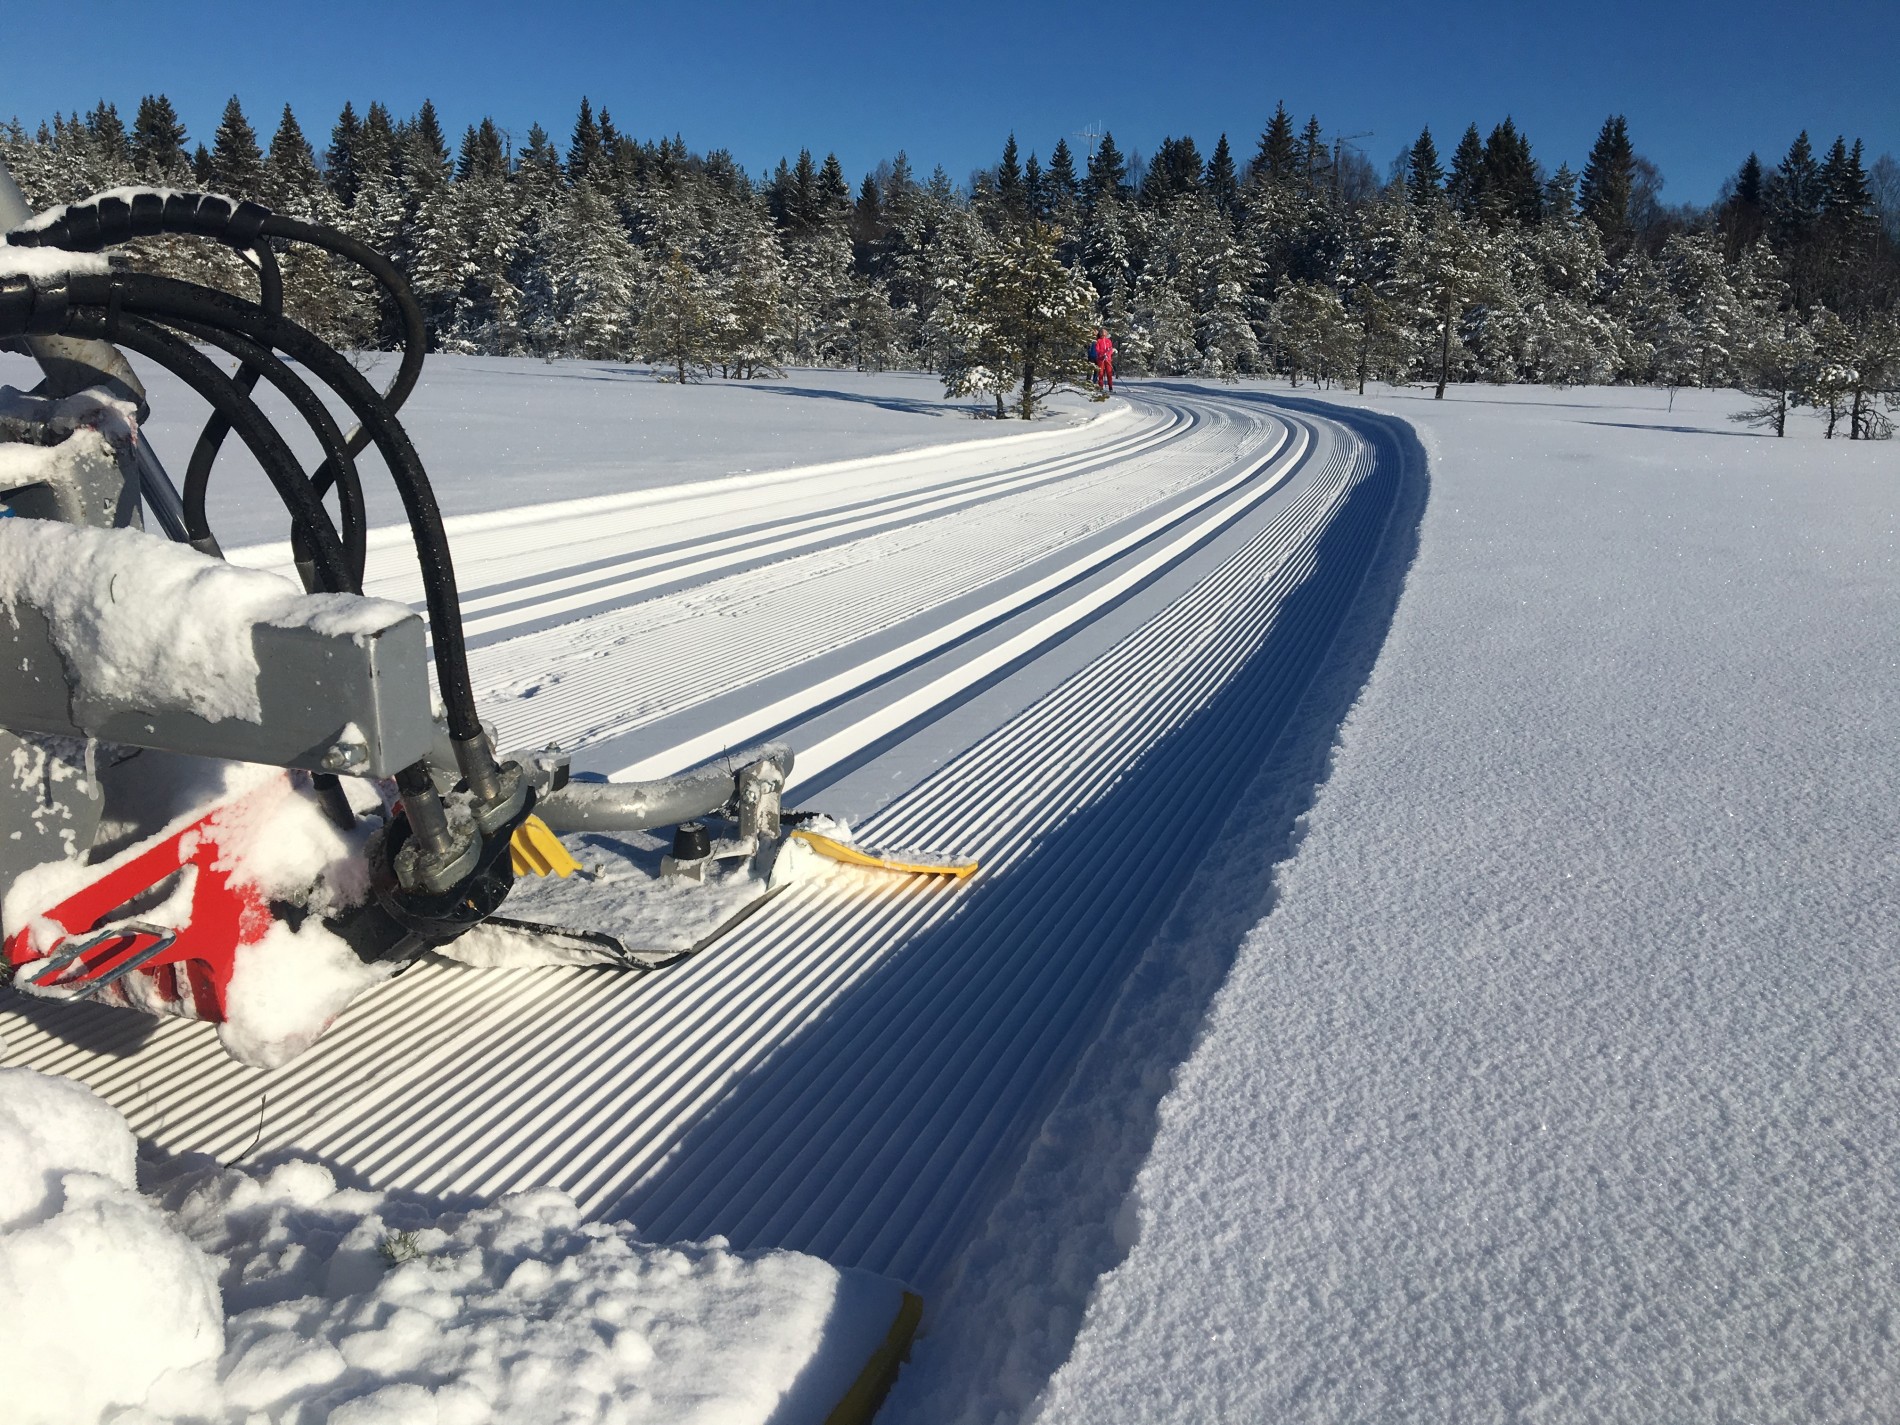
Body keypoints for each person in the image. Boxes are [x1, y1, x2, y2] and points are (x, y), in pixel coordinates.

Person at [1091, 327, 1116, 395]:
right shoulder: (1098, 341)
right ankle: (1101, 387)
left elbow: (1110, 349)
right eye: (1102, 332)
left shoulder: (1108, 341)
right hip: (1100, 359)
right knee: (1101, 373)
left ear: (1106, 333)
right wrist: (1102, 355)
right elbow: (1097, 350)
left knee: (1109, 373)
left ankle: (1110, 387)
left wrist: (1107, 354)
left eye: (1104, 332)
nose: (1103, 334)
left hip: (1108, 359)